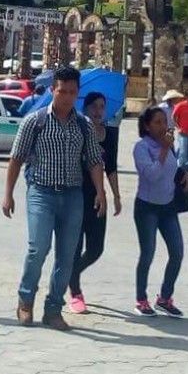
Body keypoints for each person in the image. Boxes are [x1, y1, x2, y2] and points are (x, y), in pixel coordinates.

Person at [3, 66, 106, 331]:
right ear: (53, 90)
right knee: (38, 248)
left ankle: (53, 309)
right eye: (62, 91)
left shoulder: (83, 125)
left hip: (73, 195)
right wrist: (8, 194)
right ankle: (26, 301)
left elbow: (95, 161)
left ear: (77, 93)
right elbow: (16, 158)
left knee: (67, 255)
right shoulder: (35, 121)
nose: (67, 97)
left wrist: (101, 192)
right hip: (41, 193)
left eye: (72, 92)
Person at [132, 106, 188, 318]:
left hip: (168, 206)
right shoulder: (141, 148)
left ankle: (165, 297)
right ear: (147, 126)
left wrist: (185, 173)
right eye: (156, 122)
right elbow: (152, 175)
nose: (162, 126)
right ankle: (141, 299)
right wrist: (165, 150)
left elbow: (171, 169)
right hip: (147, 207)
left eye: (163, 122)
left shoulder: (169, 146)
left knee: (177, 252)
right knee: (148, 253)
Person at [68, 92, 122, 314]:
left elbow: (112, 167)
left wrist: (116, 196)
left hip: (99, 198)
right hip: (76, 196)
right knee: (75, 246)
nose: (99, 111)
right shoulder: (78, 131)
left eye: (102, 106)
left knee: (96, 248)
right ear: (86, 109)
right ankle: (75, 292)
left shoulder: (111, 134)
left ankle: (71, 273)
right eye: (94, 107)